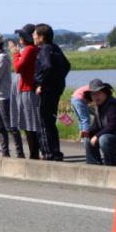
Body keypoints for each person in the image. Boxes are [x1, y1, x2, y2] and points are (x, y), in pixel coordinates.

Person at [32, 23, 70, 160]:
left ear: (41, 37)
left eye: (35, 35)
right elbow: (67, 65)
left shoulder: (45, 49)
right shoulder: (55, 48)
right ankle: (56, 152)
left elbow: (47, 66)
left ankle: (48, 153)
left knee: (43, 122)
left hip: (46, 90)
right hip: (56, 89)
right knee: (50, 121)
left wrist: (41, 83)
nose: (33, 37)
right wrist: (58, 80)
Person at [7, 24, 42, 159]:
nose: (19, 38)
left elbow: (18, 67)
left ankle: (34, 154)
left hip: (27, 89)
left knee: (30, 123)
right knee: (29, 123)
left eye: (21, 35)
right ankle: (35, 153)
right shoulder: (32, 49)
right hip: (26, 89)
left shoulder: (29, 49)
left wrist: (15, 53)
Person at [83, 79, 116, 166]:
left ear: (105, 93)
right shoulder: (99, 105)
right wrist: (88, 132)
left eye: (98, 93)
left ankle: (111, 166)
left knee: (104, 139)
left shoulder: (114, 105)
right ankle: (94, 166)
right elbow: (96, 125)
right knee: (88, 140)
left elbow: (113, 126)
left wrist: (97, 136)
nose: (96, 97)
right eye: (93, 94)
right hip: (111, 135)